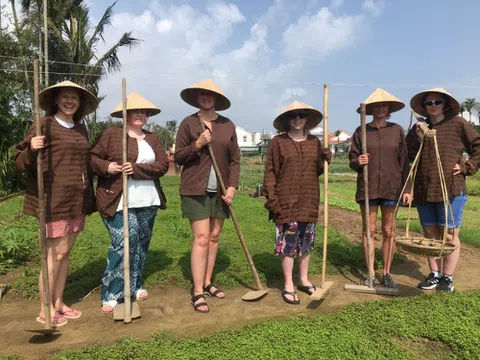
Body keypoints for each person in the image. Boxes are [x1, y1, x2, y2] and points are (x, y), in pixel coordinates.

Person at [15, 80, 98, 327]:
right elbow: (19, 161)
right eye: (65, 97)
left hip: (77, 198)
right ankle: (45, 308)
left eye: (74, 97)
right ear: (56, 100)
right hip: (53, 199)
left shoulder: (81, 128)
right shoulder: (44, 125)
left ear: (80, 102)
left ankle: (59, 301)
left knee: (65, 252)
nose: (70, 101)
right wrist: (31, 148)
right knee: (53, 254)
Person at [90, 92, 169, 312]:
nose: (140, 115)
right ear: (125, 114)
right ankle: (112, 292)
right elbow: (92, 159)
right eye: (135, 111)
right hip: (117, 198)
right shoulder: (111, 135)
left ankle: (134, 285)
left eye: (143, 112)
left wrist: (136, 169)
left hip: (148, 199)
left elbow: (162, 166)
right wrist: (108, 167)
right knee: (124, 241)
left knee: (141, 243)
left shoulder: (153, 139)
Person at [174, 79, 240, 313]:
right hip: (195, 188)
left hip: (221, 190)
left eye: (210, 95)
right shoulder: (188, 123)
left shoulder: (227, 125)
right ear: (197, 98)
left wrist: (232, 187)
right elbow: (179, 157)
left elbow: (234, 160)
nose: (206, 97)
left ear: (217, 100)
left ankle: (208, 281)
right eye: (202, 94)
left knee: (214, 237)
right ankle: (197, 291)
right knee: (201, 238)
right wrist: (198, 144)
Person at [406, 88, 480, 292]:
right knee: (430, 234)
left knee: (449, 235)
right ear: (423, 107)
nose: (433, 106)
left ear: (445, 104)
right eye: (429, 103)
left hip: (451, 187)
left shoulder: (457, 123)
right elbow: (408, 155)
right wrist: (419, 138)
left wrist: (467, 167)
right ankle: (434, 274)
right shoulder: (419, 127)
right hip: (424, 187)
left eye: (437, 102)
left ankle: (447, 277)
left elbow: (477, 145)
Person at [263, 101, 332, 304]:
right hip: (286, 200)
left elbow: (318, 170)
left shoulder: (314, 142)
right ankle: (288, 284)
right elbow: (270, 172)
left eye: (301, 115)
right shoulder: (278, 142)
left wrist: (326, 158)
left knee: (306, 243)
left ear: (307, 119)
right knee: (288, 244)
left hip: (309, 199)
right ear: (287, 120)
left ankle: (303, 279)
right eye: (293, 116)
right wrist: (272, 200)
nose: (298, 119)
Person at [348, 88, 411, 288]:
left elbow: (404, 162)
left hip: (392, 187)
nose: (381, 109)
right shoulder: (362, 131)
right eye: (377, 106)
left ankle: (386, 273)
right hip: (368, 187)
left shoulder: (397, 130)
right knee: (369, 230)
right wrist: (359, 160)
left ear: (389, 109)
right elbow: (352, 159)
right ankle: (371, 273)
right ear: (371, 110)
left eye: (384, 106)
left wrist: (408, 188)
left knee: (389, 231)